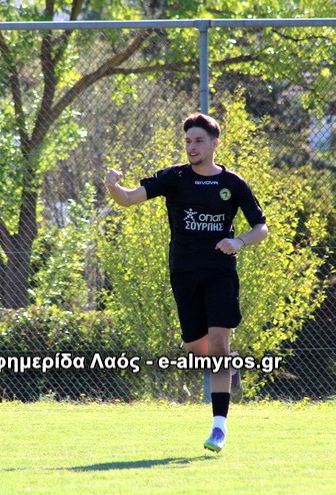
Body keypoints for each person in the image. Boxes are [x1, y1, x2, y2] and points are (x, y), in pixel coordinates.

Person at [104, 113, 268, 452]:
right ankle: (231, 366)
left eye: (199, 141)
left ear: (214, 144)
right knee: (198, 351)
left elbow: (261, 228)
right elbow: (129, 199)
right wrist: (112, 186)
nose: (192, 147)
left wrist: (238, 241)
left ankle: (218, 428)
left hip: (220, 271)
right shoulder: (174, 177)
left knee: (219, 345)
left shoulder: (233, 183)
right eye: (188, 141)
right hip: (184, 272)